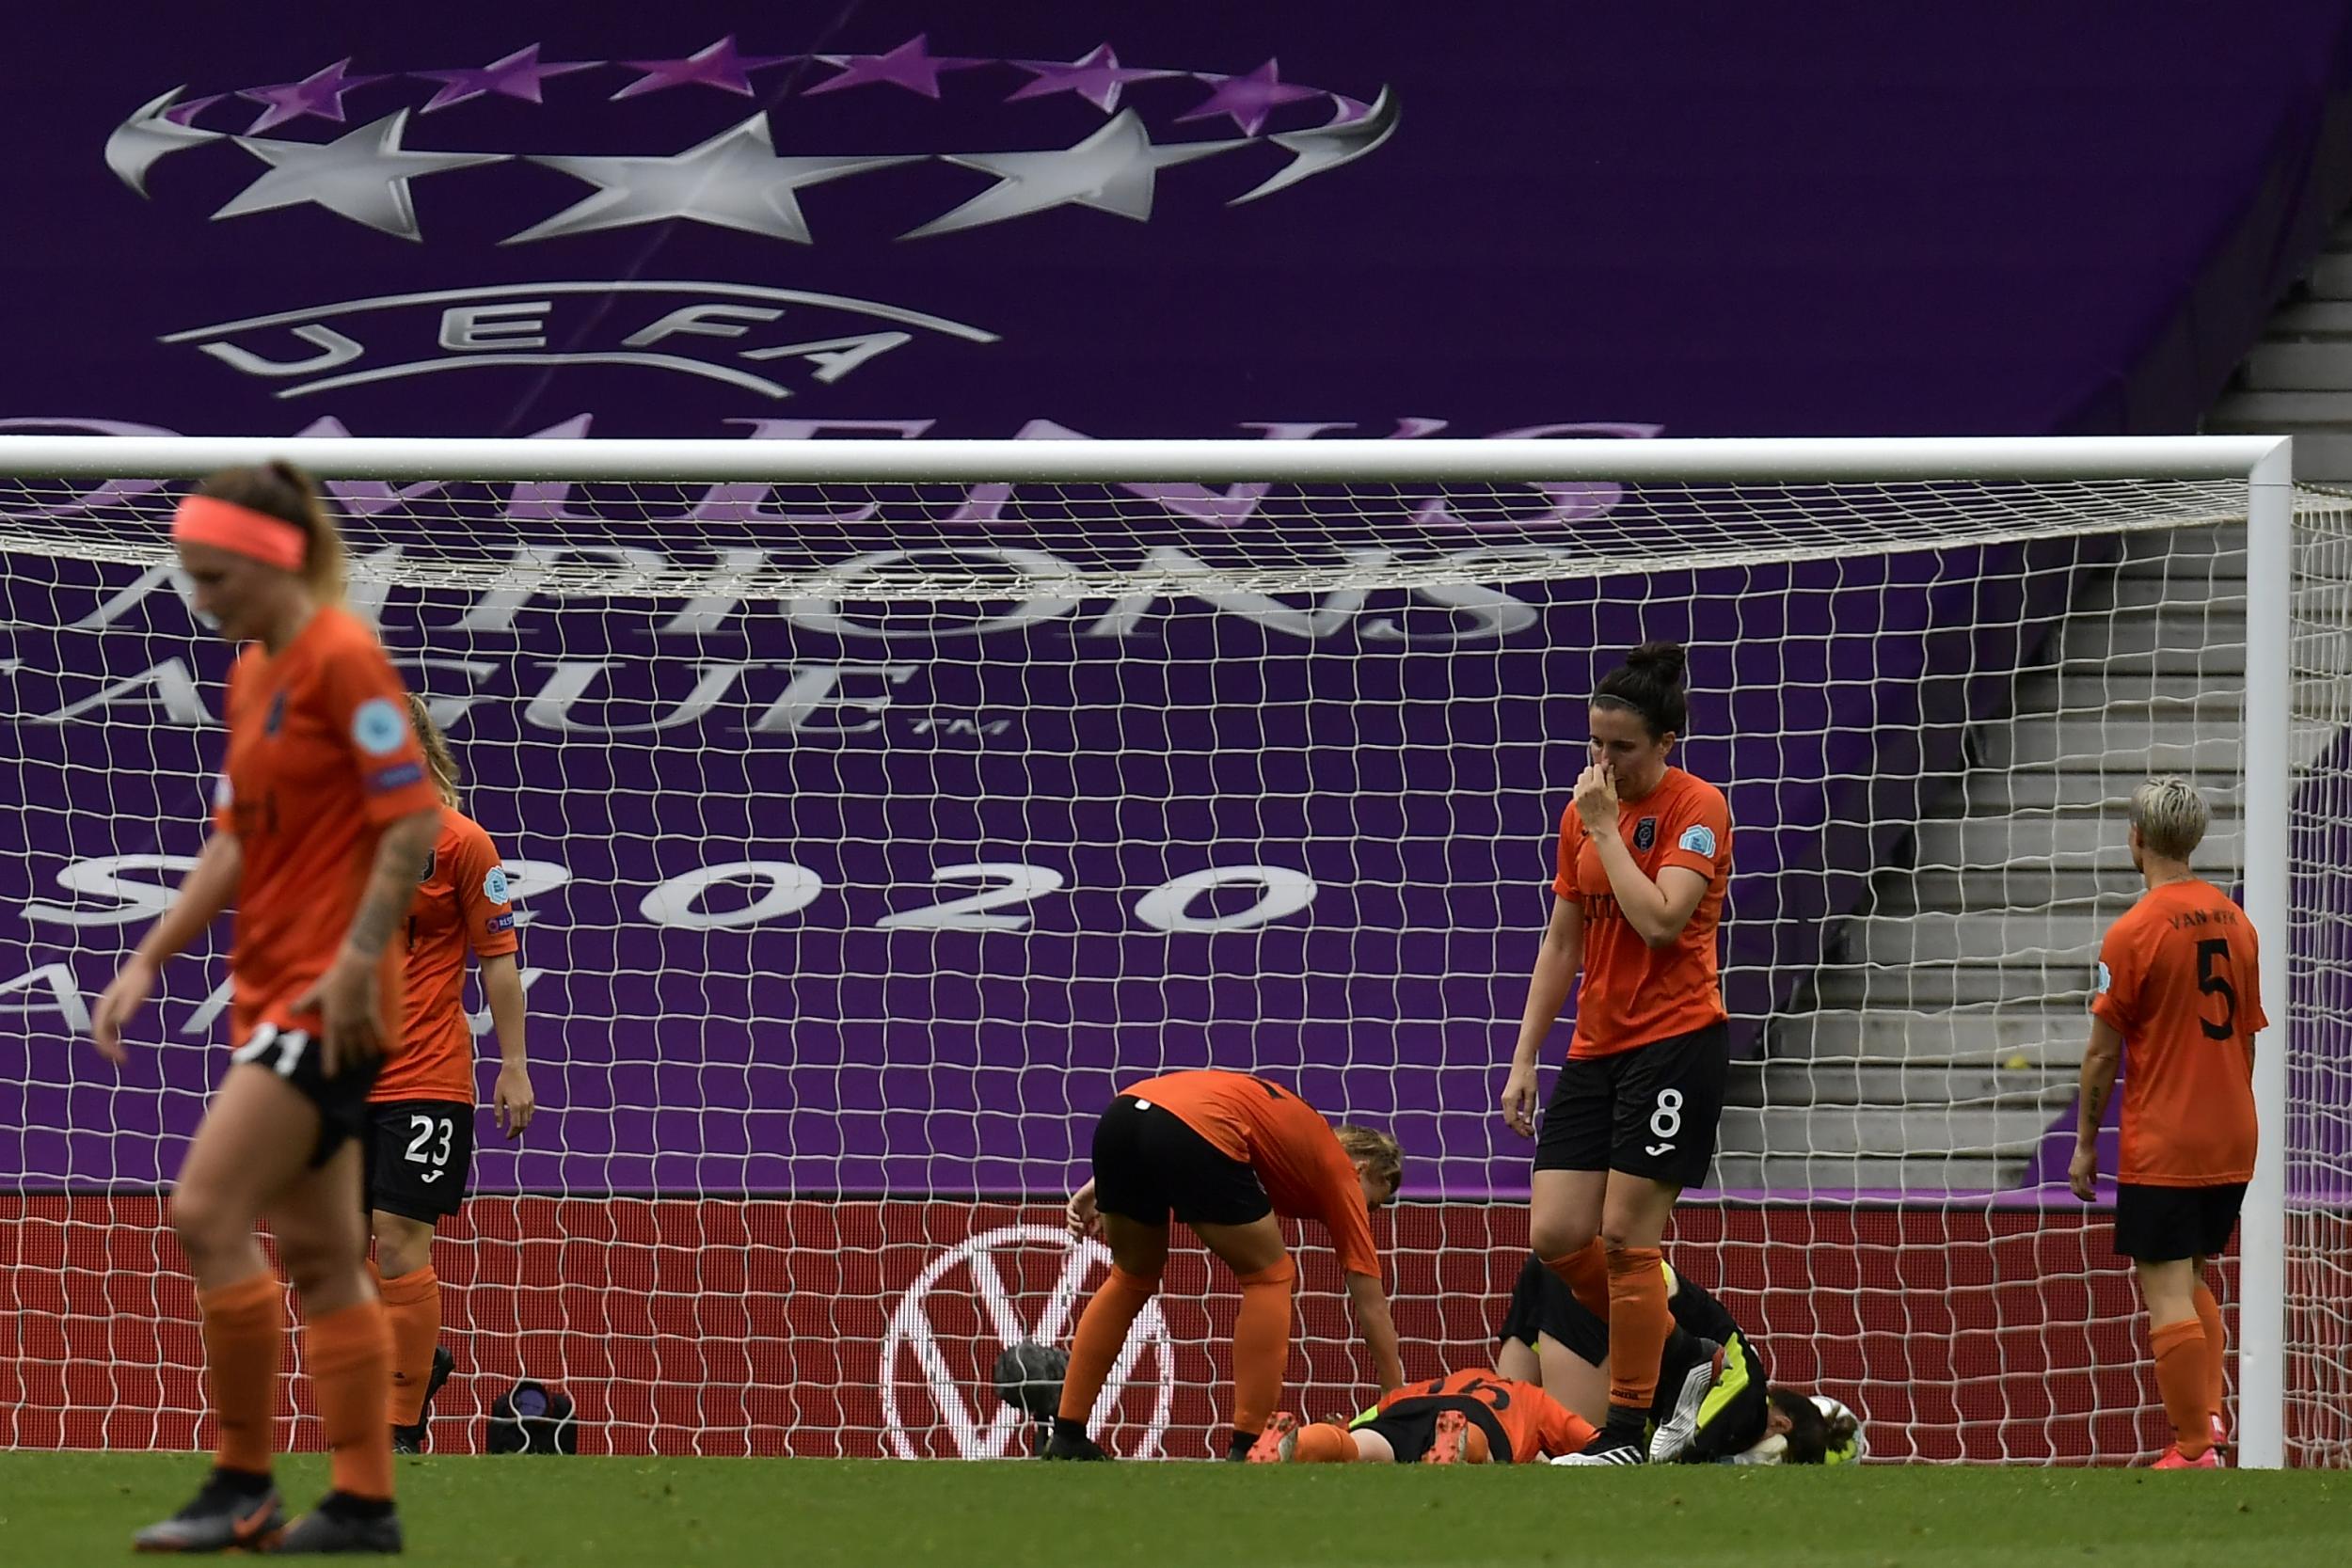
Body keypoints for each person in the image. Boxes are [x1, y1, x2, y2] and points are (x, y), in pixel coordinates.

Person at [90, 462, 443, 1554]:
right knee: (322, 1251)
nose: (200, 598)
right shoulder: (254, 675)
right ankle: (363, 1502)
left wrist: (354, 958)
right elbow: (236, 839)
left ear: (270, 556)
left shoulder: (346, 660)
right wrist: (151, 953)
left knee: (203, 1211)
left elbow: (413, 824)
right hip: (272, 992)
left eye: (212, 574)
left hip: (329, 1002)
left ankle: (242, 1479)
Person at [1501, 641, 1736, 1465]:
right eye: (1595, 744)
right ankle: (1689, 1355)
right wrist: (1527, 1054)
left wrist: (1605, 831)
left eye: (1622, 747)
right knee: (1558, 1235)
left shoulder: (1698, 806)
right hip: (1597, 1047)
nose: (1604, 762)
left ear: (1666, 741)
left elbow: (1663, 920)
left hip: (1676, 1043)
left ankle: (1628, 1432)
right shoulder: (1581, 813)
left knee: (1628, 1239)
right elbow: (1564, 939)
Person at [1051, 1069, 1406, 1461]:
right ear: (1363, 1170)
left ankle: (1067, 1434)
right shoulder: (1340, 1172)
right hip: (1190, 1130)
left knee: (1131, 1276)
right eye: (1374, 1201)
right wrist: (1397, 1401)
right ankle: (1249, 1441)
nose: (1369, 1212)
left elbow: (1167, 1113)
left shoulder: (1294, 1133)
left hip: (1122, 1117)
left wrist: (1100, 1183)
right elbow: (1370, 1303)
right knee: (1270, 1276)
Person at [2069, 776, 2263, 1469]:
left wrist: (2087, 1144)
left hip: (2169, 1136)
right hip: (2234, 1129)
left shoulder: (2133, 931)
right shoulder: (2237, 921)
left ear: (2137, 839)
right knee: (2194, 1275)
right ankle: (2206, 1412)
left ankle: (2193, 1446)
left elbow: (2100, 1055)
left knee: (2166, 1285)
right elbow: (2247, 1036)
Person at [367, 693, 536, 1454]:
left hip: (427, 1073)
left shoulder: (465, 844)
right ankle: (417, 1354)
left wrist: (514, 1066)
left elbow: (498, 962)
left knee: (400, 1238)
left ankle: (402, 1424)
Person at [1492, 1253, 1864, 1465]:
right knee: (1579, 1457)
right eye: (1784, 1460)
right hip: (1600, 1299)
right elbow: (1675, 1459)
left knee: (1506, 1439)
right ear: (1781, 1426)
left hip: (1571, 1263)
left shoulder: (1741, 1367)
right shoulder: (1744, 1409)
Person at [1251, 1369, 1598, 1465]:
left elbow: (1383, 1407)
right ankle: (1459, 1446)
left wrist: (1348, 1425)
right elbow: (1592, 1441)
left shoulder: (1456, 1376)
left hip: (1411, 1408)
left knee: (1359, 1446)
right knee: (1485, 1448)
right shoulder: (1533, 1397)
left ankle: (1300, 1444)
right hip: (1480, 1418)